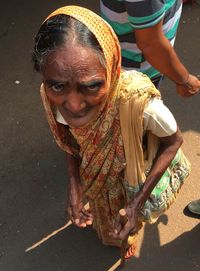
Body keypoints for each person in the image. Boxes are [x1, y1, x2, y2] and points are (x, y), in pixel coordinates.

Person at [32, 6, 191, 261]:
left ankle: (126, 238)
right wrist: (74, 183)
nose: (73, 104)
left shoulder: (138, 102)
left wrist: (137, 202)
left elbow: (174, 142)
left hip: (129, 182)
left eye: (92, 86)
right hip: (94, 182)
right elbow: (69, 141)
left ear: (113, 68)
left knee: (126, 222)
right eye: (58, 85)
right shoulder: (49, 96)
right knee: (106, 223)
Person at [100, 0, 200, 94]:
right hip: (138, 73)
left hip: (142, 62)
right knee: (136, 108)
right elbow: (151, 45)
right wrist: (185, 80)